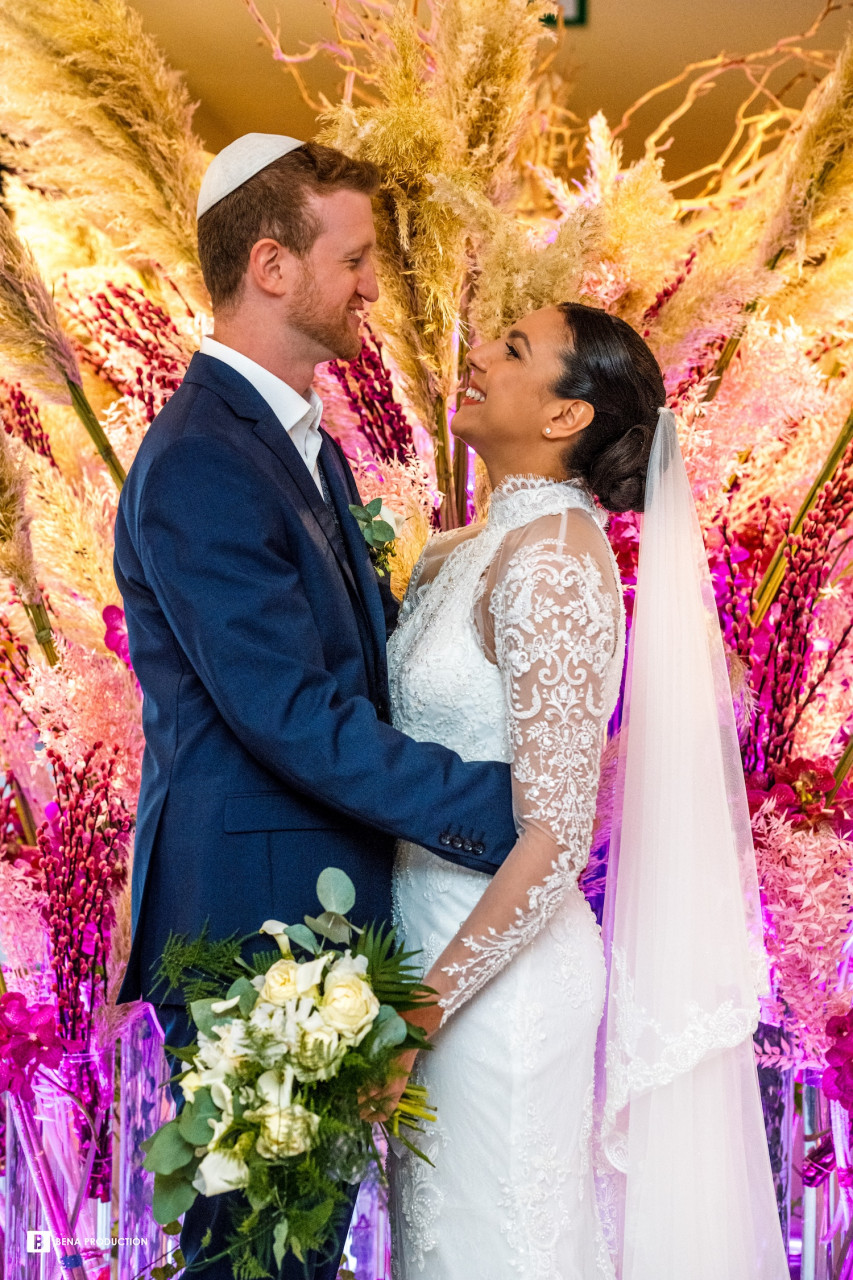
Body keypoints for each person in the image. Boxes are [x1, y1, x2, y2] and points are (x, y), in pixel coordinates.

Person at [112, 134, 519, 1279]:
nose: (373, 285)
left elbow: (355, 674)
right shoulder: (201, 457)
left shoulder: (299, 445)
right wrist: (508, 808)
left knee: (290, 1252)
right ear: (272, 266)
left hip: (314, 914)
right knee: (256, 1258)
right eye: (354, 258)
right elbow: (288, 712)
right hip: (260, 929)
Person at [386, 302, 789, 1279]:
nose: (476, 354)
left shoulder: (560, 560)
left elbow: (557, 835)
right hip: (427, 961)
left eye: (514, 349)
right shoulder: (460, 549)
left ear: (568, 417)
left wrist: (415, 1017)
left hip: (492, 991)